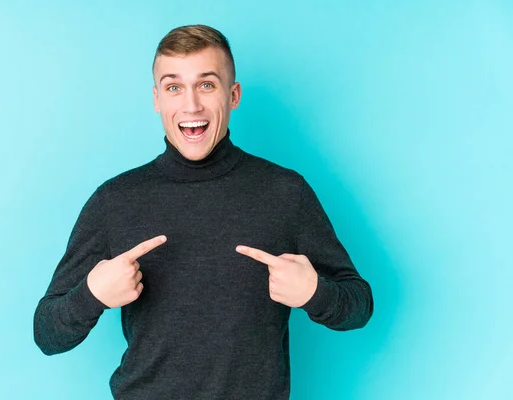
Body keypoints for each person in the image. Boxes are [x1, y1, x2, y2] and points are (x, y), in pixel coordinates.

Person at [33, 24, 374, 399]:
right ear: (157, 99)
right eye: (174, 87)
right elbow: (47, 333)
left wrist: (315, 293)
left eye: (207, 85)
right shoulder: (114, 200)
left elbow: (358, 305)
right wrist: (92, 295)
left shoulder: (285, 192)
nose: (191, 105)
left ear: (233, 95)